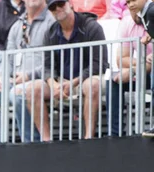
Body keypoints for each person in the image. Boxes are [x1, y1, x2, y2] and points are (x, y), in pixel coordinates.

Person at [22, 0, 107, 140]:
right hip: (62, 81)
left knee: (92, 84)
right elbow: (48, 66)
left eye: (61, 4)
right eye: (53, 7)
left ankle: (88, 138)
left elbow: (99, 64)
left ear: (70, 4)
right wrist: (53, 84)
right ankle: (46, 141)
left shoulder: (91, 27)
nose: (58, 9)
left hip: (87, 78)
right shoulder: (50, 32)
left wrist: (73, 82)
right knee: (33, 88)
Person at [0, 0, 55, 144]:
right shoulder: (17, 25)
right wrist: (2, 75)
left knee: (18, 93)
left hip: (45, 80)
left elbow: (55, 62)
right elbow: (8, 56)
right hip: (16, 79)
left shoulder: (52, 22)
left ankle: (31, 143)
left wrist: (28, 76)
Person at [110, 1, 152, 136]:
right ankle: (115, 134)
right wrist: (140, 64)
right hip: (144, 68)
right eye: (128, 3)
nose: (131, 6)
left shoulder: (151, 13)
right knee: (115, 80)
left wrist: (136, 68)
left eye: (133, 1)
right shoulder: (126, 23)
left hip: (148, 69)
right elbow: (121, 59)